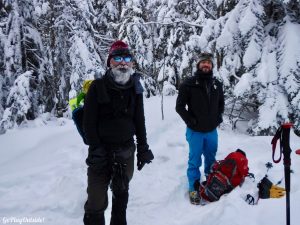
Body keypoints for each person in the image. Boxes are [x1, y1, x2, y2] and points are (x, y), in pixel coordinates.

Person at [83, 40, 154, 225]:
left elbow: (139, 120)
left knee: (121, 195)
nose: (123, 62)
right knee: (96, 201)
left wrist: (143, 147)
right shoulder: (97, 87)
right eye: (118, 58)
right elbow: (88, 123)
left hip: (126, 152)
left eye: (126, 58)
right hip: (100, 153)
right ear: (109, 62)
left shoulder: (135, 88)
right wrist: (96, 148)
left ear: (131, 63)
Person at [175, 52, 225, 205]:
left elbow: (221, 104)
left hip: (211, 132)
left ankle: (211, 184)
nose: (206, 65)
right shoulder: (188, 84)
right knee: (194, 161)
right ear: (198, 65)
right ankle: (194, 188)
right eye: (203, 62)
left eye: (208, 63)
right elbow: (179, 107)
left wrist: (218, 118)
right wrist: (191, 121)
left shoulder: (217, 84)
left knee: (211, 159)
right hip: (195, 131)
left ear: (211, 66)